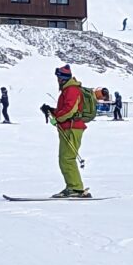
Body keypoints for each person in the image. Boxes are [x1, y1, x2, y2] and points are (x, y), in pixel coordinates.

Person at [44, 65, 91, 198]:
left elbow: (70, 110)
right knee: (65, 158)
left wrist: (57, 118)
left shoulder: (71, 90)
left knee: (67, 158)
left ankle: (75, 188)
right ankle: (72, 186)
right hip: (68, 127)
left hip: (72, 128)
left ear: (62, 78)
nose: (57, 80)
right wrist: (52, 111)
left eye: (58, 77)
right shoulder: (67, 90)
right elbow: (66, 109)